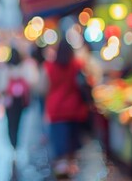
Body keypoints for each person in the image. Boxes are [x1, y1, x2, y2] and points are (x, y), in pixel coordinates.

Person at [44, 39, 90, 178]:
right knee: (72, 140)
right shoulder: (76, 66)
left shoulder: (50, 67)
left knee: (59, 142)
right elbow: (82, 85)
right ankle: (71, 166)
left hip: (56, 110)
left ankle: (62, 169)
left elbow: (44, 88)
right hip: (74, 109)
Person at [0, 47, 35, 150]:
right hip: (20, 101)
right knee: (19, 121)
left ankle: (13, 142)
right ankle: (16, 142)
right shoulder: (25, 67)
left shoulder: (5, 69)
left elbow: (0, 86)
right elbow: (32, 81)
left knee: (11, 122)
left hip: (9, 100)